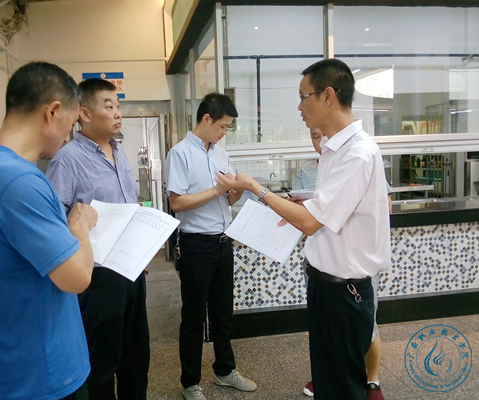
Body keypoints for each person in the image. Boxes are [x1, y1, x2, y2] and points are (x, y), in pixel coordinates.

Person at [216, 59, 391, 400]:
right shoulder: (334, 150)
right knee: (329, 382)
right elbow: (328, 210)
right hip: (326, 285)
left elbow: (311, 223)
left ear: (328, 96)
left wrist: (256, 188)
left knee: (342, 388)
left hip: (344, 292)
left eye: (303, 96)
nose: (299, 106)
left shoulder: (356, 153)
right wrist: (302, 204)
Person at [0, 62, 98, 400]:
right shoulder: (20, 181)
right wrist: (79, 227)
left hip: (1, 370)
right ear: (53, 112)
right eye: (71, 125)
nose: (68, 137)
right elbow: (76, 278)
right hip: (40, 376)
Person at [46, 78, 149, 400]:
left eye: (118, 106)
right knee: (101, 362)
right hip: (98, 276)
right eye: (109, 106)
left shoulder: (120, 152)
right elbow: (54, 221)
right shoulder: (67, 160)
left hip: (131, 269)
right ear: (85, 113)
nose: (118, 113)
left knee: (136, 356)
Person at [165, 93, 257, 400]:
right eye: (222, 126)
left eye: (228, 128)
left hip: (222, 242)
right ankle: (190, 382)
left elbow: (226, 200)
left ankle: (225, 371)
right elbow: (177, 203)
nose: (224, 133)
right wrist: (217, 190)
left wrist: (236, 191)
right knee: (193, 317)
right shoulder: (180, 154)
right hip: (196, 245)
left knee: (222, 313)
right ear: (206, 119)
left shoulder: (221, 153)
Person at [295, 128, 390, 400]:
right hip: (323, 270)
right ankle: (328, 377)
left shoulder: (357, 155)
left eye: (322, 135)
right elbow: (309, 217)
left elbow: (382, 206)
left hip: (351, 274)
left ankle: (372, 380)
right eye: (313, 137)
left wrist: (260, 191)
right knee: (328, 340)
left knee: (365, 328)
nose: (319, 141)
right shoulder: (314, 167)